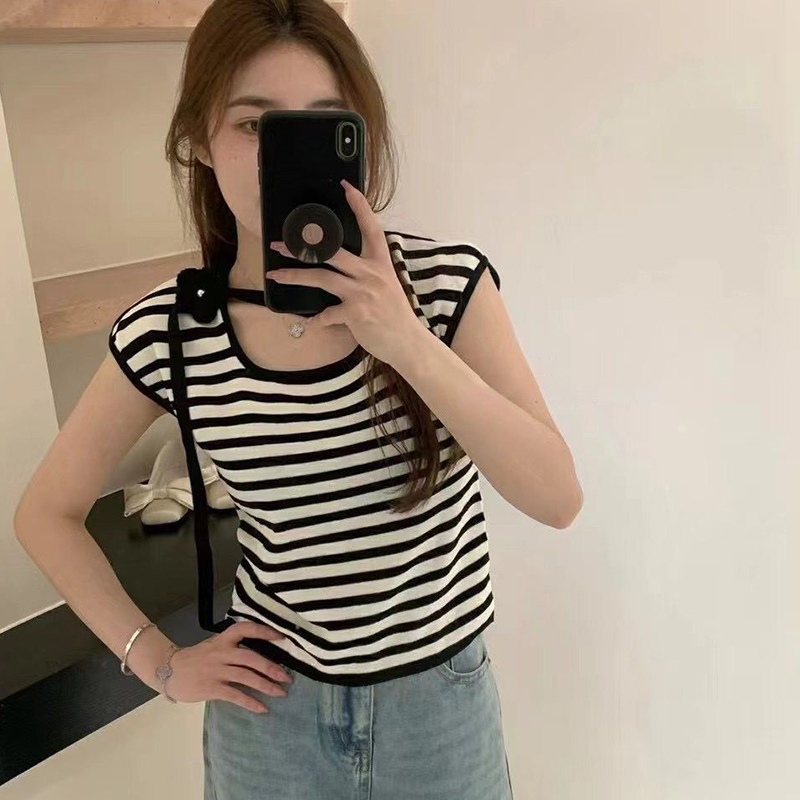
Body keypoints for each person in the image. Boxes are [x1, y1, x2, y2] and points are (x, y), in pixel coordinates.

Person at [15, 0, 582, 797]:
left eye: (321, 124)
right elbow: (45, 513)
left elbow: (557, 497)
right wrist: (159, 662)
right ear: (198, 140)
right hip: (270, 722)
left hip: (438, 711)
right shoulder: (172, 330)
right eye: (256, 125)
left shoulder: (444, 285)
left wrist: (405, 340)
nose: (286, 154)